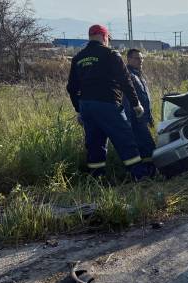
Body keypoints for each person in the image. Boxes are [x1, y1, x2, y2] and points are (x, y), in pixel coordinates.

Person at [66, 24, 153, 180]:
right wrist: (136, 104)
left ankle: (96, 179)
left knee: (94, 144)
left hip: (87, 106)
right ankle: (140, 177)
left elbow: (71, 88)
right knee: (125, 139)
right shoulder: (111, 54)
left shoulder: (78, 58)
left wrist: (79, 109)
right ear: (105, 37)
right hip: (108, 104)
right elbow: (126, 81)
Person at [122, 49, 156, 167]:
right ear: (129, 59)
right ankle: (149, 173)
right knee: (147, 146)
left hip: (143, 119)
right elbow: (126, 100)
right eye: (137, 58)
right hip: (136, 120)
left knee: (147, 146)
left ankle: (150, 172)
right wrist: (129, 122)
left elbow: (145, 99)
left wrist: (150, 118)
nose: (140, 61)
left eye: (141, 58)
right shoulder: (128, 76)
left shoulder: (139, 74)